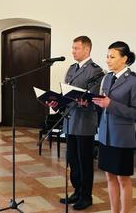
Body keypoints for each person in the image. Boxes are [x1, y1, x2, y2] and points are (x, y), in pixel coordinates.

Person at [48, 36, 103, 210]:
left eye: (76, 48)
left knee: (84, 160)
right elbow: (66, 93)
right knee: (72, 159)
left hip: (85, 122)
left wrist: (82, 101)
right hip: (70, 121)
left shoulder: (96, 71)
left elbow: (92, 97)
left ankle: (86, 196)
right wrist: (56, 103)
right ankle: (77, 191)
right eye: (73, 48)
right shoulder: (72, 69)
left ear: (87, 50)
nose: (73, 51)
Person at [93, 41, 136, 213]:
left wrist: (111, 105)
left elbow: (134, 113)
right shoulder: (107, 77)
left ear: (124, 59)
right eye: (107, 56)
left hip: (122, 138)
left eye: (112, 57)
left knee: (123, 180)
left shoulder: (133, 81)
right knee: (109, 177)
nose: (108, 60)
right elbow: (102, 104)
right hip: (105, 136)